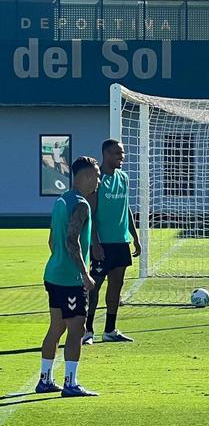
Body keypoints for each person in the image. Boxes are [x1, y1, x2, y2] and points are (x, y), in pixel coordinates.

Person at [37, 156, 101, 398]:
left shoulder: (61, 200)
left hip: (53, 273)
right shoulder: (82, 205)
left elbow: (53, 240)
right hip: (70, 279)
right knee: (77, 328)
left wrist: (60, 261)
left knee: (56, 327)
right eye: (96, 176)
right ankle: (71, 384)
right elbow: (71, 240)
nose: (98, 181)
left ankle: (45, 380)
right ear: (85, 176)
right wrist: (84, 274)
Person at [83, 139, 141, 344]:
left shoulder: (123, 178)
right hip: (102, 244)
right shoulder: (97, 181)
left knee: (116, 284)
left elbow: (126, 208)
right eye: (117, 153)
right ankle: (87, 330)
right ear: (106, 154)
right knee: (94, 286)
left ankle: (110, 330)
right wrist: (95, 243)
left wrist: (135, 237)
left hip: (120, 242)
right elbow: (90, 213)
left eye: (122, 153)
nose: (122, 157)